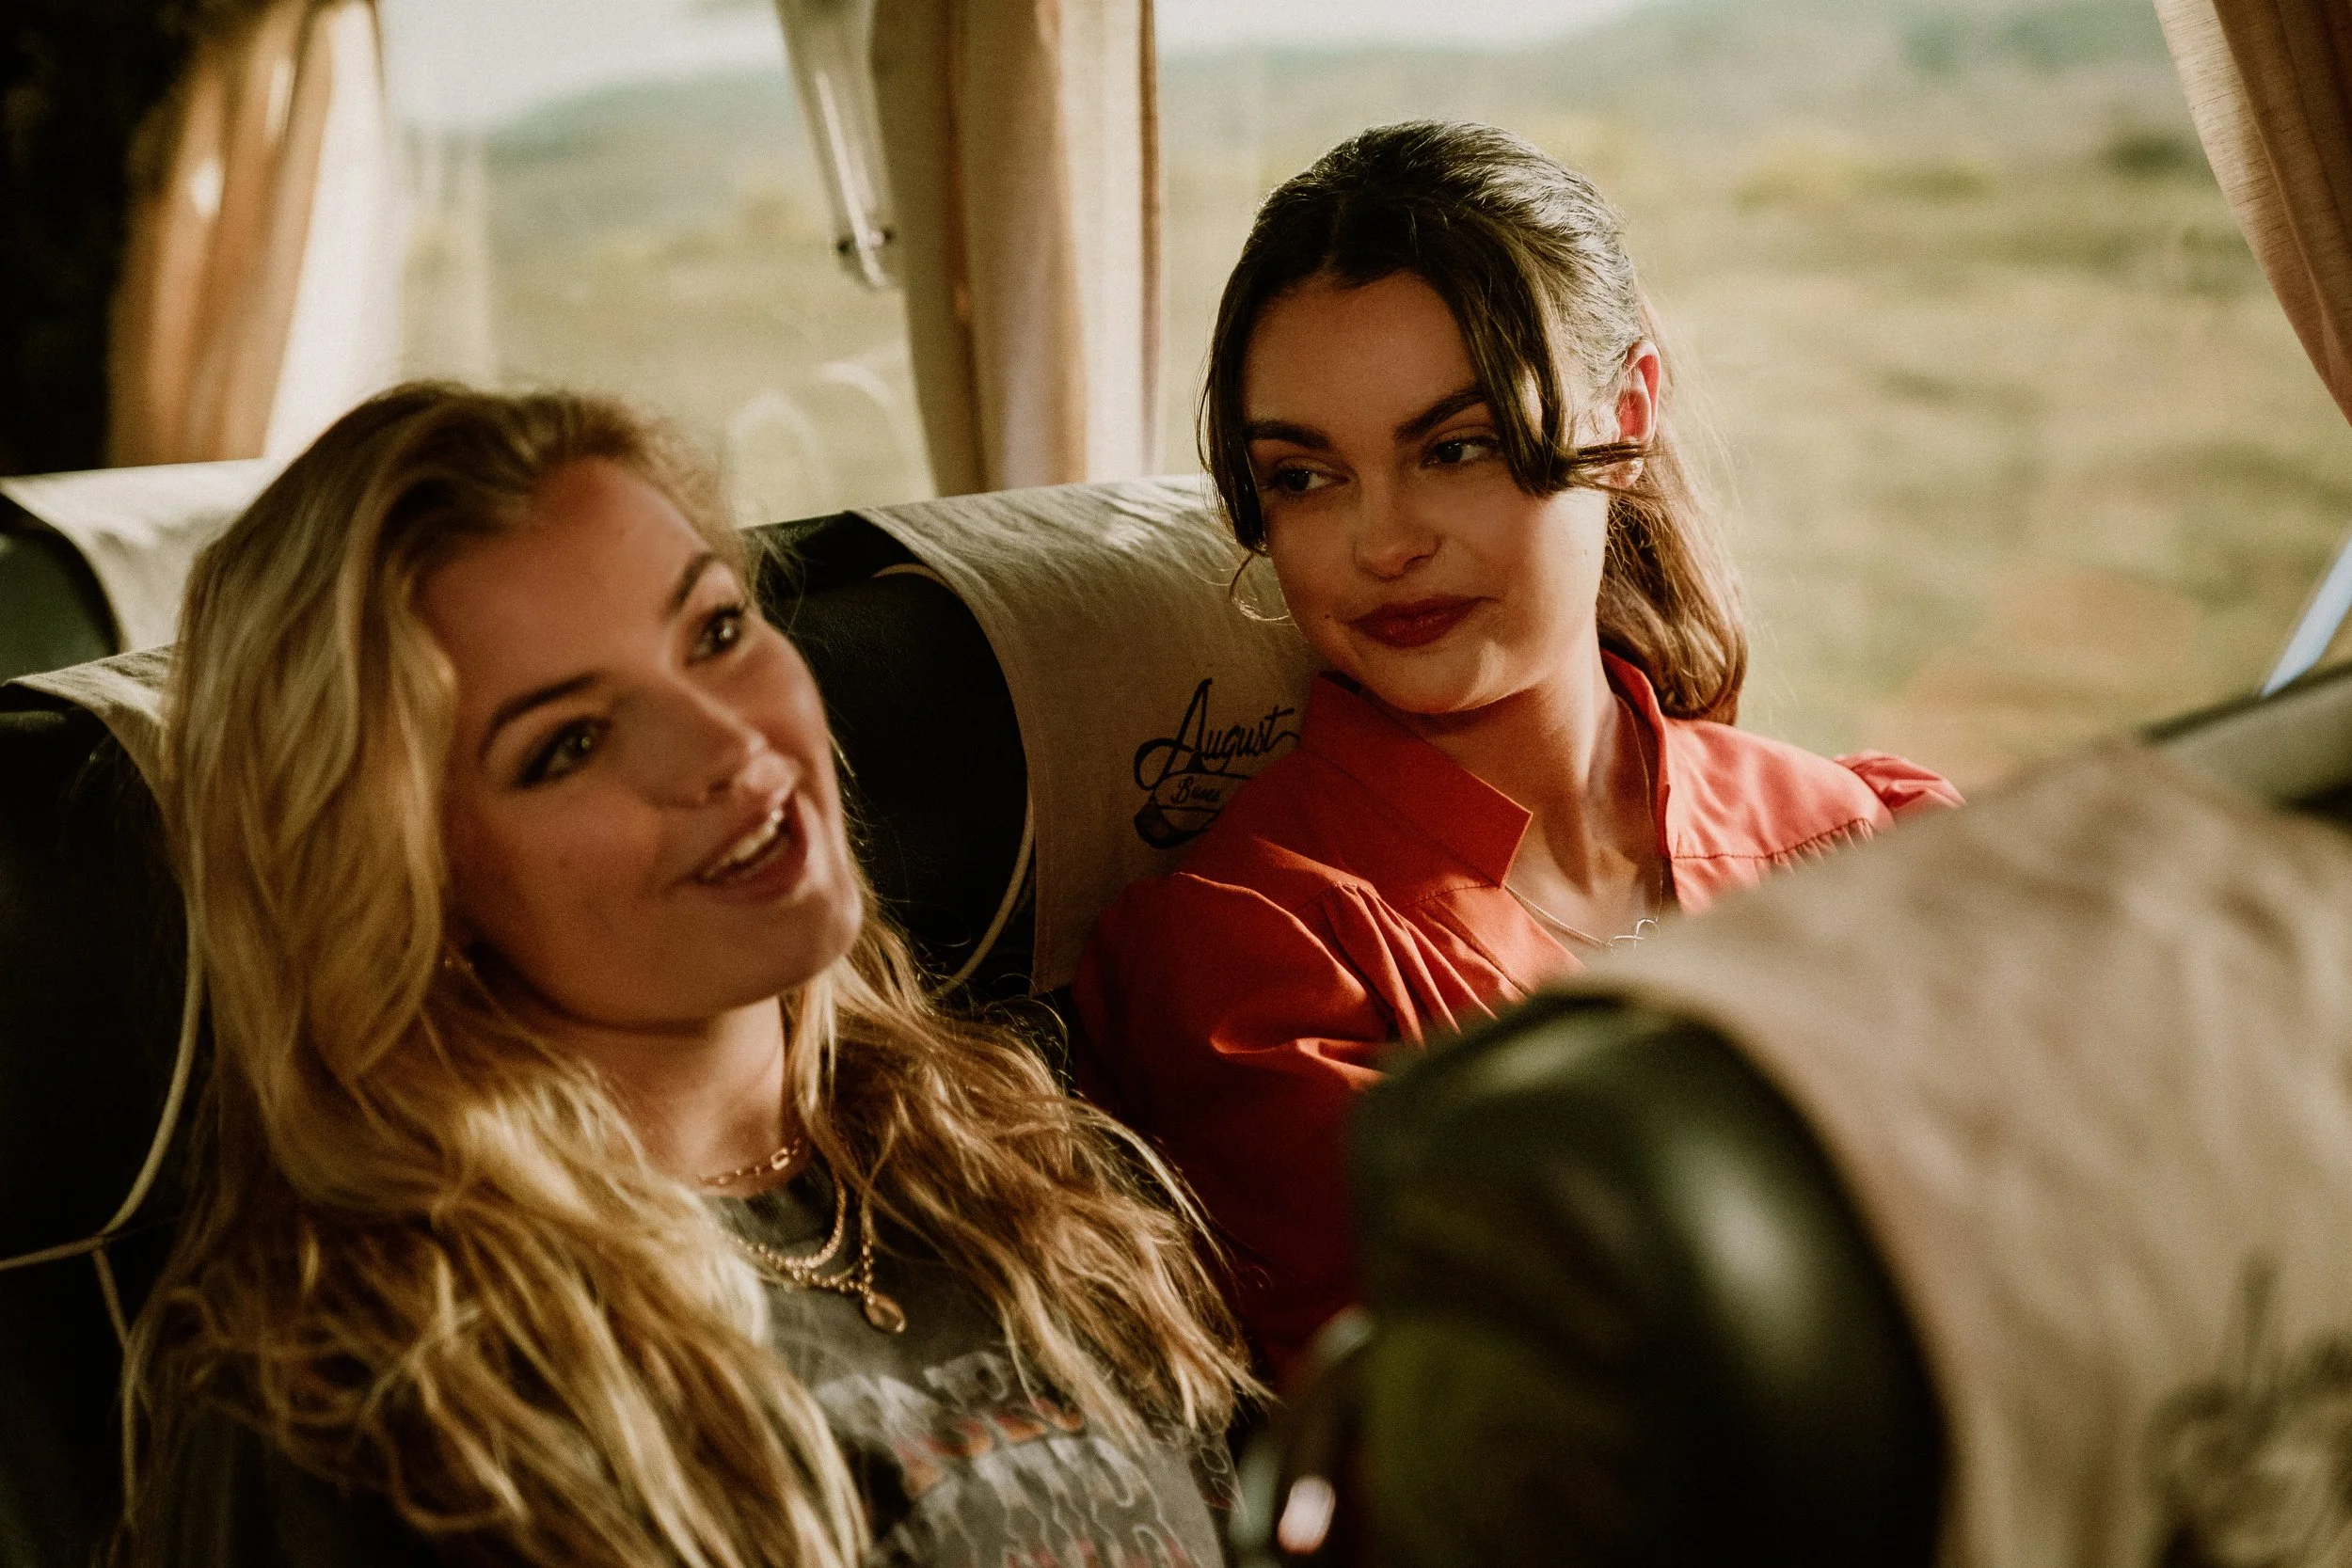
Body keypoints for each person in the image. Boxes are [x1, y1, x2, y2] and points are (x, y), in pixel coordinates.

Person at [117, 384, 1252, 1568]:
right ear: (416, 885)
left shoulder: (996, 1147)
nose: (727, 746)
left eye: (713, 633)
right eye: (570, 743)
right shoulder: (358, 1397)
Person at [1074, 121, 1961, 1383]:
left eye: (1456, 447)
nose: (1384, 541)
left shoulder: (1865, 836)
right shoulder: (1260, 963)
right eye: (1308, 476)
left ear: (1628, 410)